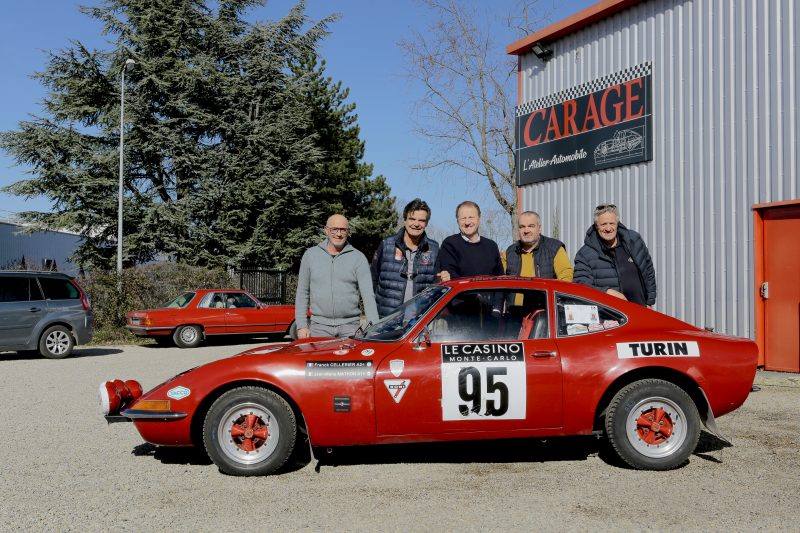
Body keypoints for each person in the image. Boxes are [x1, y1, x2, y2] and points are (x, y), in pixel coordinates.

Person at [295, 214, 379, 338]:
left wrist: (374, 327)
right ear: (326, 230)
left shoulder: (358, 258)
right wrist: (301, 325)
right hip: (319, 327)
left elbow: (368, 296)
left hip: (351, 327)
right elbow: (302, 293)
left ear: (348, 231)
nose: (339, 234)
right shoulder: (310, 255)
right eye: (334, 229)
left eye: (343, 230)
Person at [573, 203, 656, 306]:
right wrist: (606, 292)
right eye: (603, 224)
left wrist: (650, 302)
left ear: (617, 223)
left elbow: (648, 270)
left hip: (640, 310)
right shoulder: (585, 254)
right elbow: (581, 286)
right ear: (596, 226)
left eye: (612, 223)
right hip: (609, 316)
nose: (608, 228)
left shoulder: (634, 241)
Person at [371, 198, 442, 318]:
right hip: (386, 319)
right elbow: (373, 280)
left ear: (426, 223)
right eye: (412, 219)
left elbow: (436, 286)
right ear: (404, 220)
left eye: (421, 220)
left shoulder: (434, 249)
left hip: (418, 322)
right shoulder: (386, 244)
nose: (416, 224)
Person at [437, 201, 503, 279]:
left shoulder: (491, 246)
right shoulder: (449, 245)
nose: (467, 222)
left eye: (471, 217)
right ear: (457, 221)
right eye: (463, 218)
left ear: (479, 219)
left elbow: (500, 279)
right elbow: (451, 278)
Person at [502, 210, 573, 281]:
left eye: (531, 226)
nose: (526, 231)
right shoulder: (509, 253)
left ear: (539, 229)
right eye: (522, 227)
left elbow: (566, 278)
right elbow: (500, 281)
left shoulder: (555, 249)